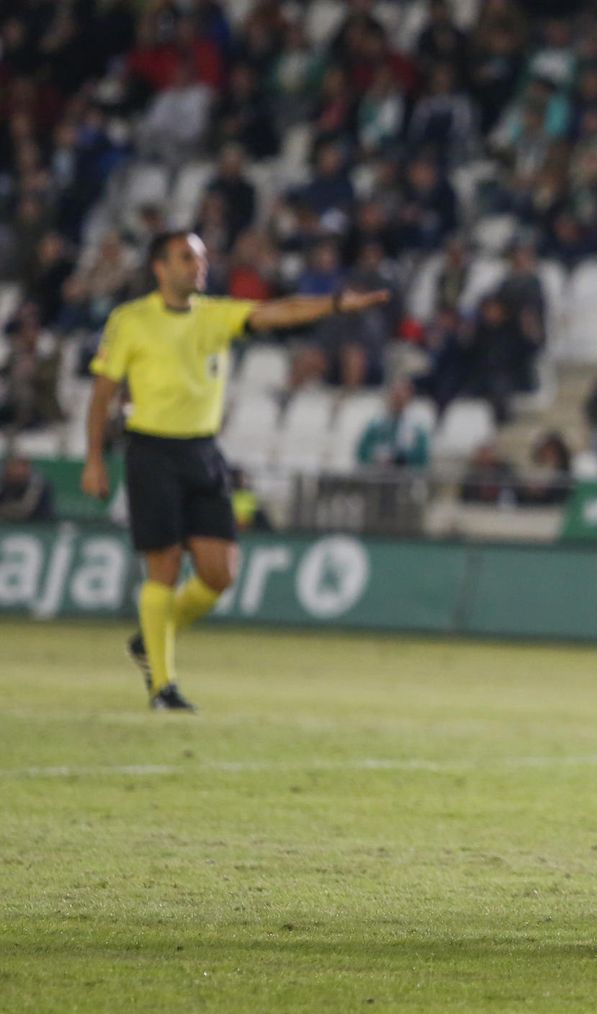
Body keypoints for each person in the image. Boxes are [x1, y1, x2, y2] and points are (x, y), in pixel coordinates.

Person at [81, 231, 389, 713]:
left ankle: (150, 639)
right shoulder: (131, 320)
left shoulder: (215, 314)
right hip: (152, 450)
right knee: (163, 567)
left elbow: (279, 312)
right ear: (160, 267)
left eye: (201, 258)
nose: (197, 266)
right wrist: (95, 458)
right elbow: (102, 394)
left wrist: (334, 305)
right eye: (186, 258)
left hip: (203, 451)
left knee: (220, 573)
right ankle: (163, 686)